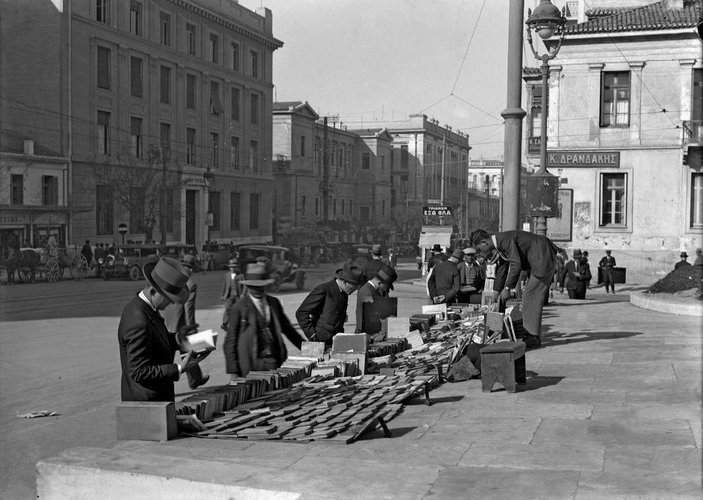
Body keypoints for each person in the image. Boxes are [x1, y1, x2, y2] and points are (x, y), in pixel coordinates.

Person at [117, 257, 204, 402]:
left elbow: (154, 341)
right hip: (146, 403)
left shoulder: (145, 308)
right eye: (168, 298)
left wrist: (178, 338)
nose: (170, 303)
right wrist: (179, 368)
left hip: (154, 400)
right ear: (153, 291)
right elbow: (139, 372)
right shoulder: (139, 321)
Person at [471, 229, 560, 348]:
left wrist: (508, 287)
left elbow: (515, 264)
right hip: (540, 258)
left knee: (530, 296)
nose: (481, 252)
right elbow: (503, 267)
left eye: (480, 249)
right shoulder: (499, 243)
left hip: (542, 257)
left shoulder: (504, 240)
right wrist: (497, 291)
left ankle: (532, 337)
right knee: (530, 296)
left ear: (484, 242)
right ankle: (531, 335)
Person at [224, 263, 304, 381]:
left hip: (274, 360)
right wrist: (234, 372)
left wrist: (307, 348)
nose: (258, 291)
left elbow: (288, 330)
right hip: (251, 363)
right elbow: (230, 341)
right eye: (254, 287)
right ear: (248, 287)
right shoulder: (239, 308)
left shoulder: (274, 303)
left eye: (261, 287)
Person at [162, 255, 209, 389]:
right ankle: (194, 380)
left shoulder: (171, 279)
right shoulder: (191, 284)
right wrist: (192, 328)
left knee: (170, 357)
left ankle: (195, 379)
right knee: (188, 352)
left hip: (166, 324)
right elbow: (189, 308)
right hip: (181, 327)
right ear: (192, 269)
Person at [295, 260, 364, 346]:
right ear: (345, 282)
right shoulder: (323, 289)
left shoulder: (344, 293)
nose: (356, 290)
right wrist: (312, 335)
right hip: (320, 341)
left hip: (336, 341)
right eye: (354, 287)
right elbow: (301, 313)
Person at [355, 263, 398, 333]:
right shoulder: (367, 292)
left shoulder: (374, 290)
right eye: (386, 287)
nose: (386, 290)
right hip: (365, 334)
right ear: (380, 282)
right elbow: (376, 316)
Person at [221, 258, 243, 330]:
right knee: (228, 308)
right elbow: (224, 285)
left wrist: (243, 294)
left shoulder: (241, 276)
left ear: (237, 267)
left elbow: (244, 286)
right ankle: (224, 323)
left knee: (238, 310)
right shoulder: (226, 275)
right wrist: (222, 295)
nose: (232, 269)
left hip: (237, 295)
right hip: (229, 295)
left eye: (234, 267)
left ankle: (237, 324)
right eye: (231, 267)